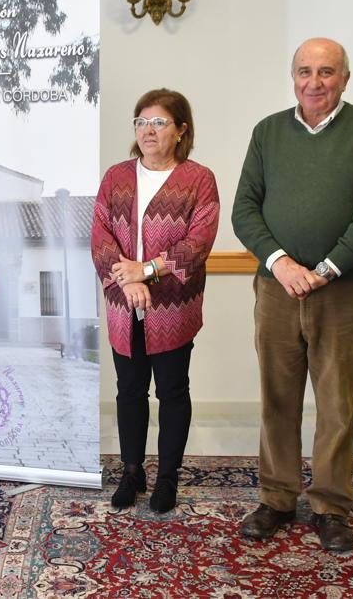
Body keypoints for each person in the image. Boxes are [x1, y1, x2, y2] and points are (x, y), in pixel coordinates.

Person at [232, 38, 353, 551]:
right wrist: (281, 264)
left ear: (346, 78)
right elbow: (245, 210)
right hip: (277, 289)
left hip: (342, 292)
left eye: (327, 72)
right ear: (293, 77)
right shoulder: (268, 132)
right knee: (277, 400)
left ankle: (330, 505)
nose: (315, 82)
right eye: (305, 71)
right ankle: (277, 497)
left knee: (336, 403)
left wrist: (324, 269)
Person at [91, 88, 220, 512]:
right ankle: (131, 472)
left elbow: (198, 242)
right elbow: (101, 237)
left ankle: (167, 478)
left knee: (172, 391)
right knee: (128, 391)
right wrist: (127, 281)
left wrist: (146, 271)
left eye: (159, 122)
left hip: (174, 308)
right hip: (122, 306)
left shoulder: (198, 179)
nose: (148, 130)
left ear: (181, 130)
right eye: (141, 122)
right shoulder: (116, 177)